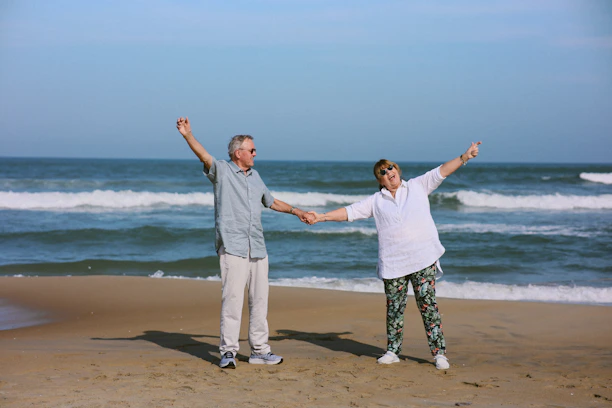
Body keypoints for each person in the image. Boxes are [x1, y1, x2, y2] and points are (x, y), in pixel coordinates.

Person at [307, 142, 482, 370]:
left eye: (391, 168)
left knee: (428, 306)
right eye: (383, 172)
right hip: (394, 264)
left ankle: (439, 354)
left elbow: (443, 170)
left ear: (397, 170)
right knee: (394, 310)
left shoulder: (418, 186)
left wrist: (465, 156)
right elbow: (349, 212)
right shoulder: (376, 201)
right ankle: (392, 351)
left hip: (423, 259)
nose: (389, 173)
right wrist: (321, 217)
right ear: (379, 180)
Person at [176, 116, 314, 369]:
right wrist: (188, 135)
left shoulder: (256, 176)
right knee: (232, 300)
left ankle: (260, 351)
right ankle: (228, 352)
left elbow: (271, 201)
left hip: (258, 247)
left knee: (260, 301)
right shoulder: (222, 171)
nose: (255, 153)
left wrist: (298, 211)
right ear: (238, 153)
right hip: (233, 246)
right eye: (251, 150)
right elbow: (203, 156)